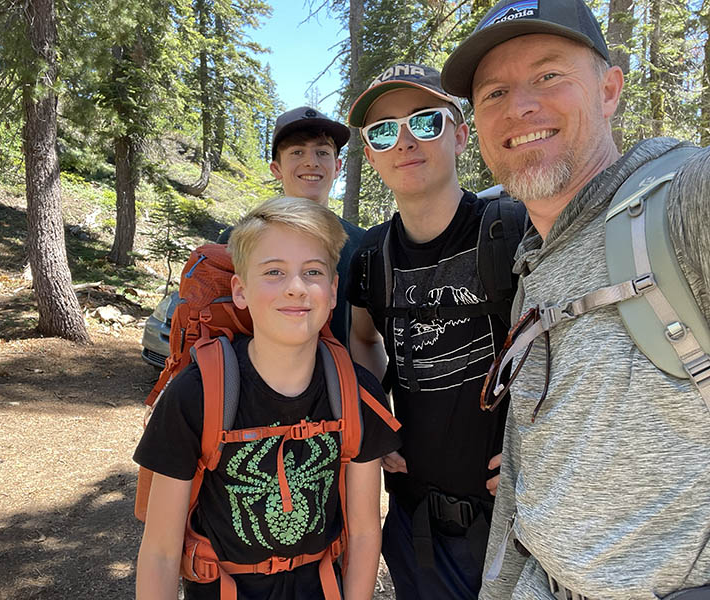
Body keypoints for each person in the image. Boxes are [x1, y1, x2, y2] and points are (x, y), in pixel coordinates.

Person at [441, 0, 710, 598]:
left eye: (548, 75)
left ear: (609, 89)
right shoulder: (535, 263)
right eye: (493, 93)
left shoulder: (682, 202)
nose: (520, 107)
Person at [134, 196, 401, 600]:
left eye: (312, 272)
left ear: (332, 291)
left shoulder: (357, 393)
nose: (295, 288)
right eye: (274, 272)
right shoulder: (197, 394)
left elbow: (364, 532)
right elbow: (159, 551)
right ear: (240, 290)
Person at [345, 63, 522, 600]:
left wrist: (535, 451)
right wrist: (375, 422)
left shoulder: (514, 231)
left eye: (425, 121)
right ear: (372, 156)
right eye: (382, 131)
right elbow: (363, 340)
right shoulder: (370, 258)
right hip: (414, 522)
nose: (404, 141)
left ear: (461, 134)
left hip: (514, 523)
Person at [218, 107, 363, 347]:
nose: (311, 162)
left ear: (338, 167)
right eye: (297, 152)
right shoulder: (237, 239)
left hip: (342, 381)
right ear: (276, 169)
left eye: (322, 153)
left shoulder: (363, 244)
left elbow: (368, 338)